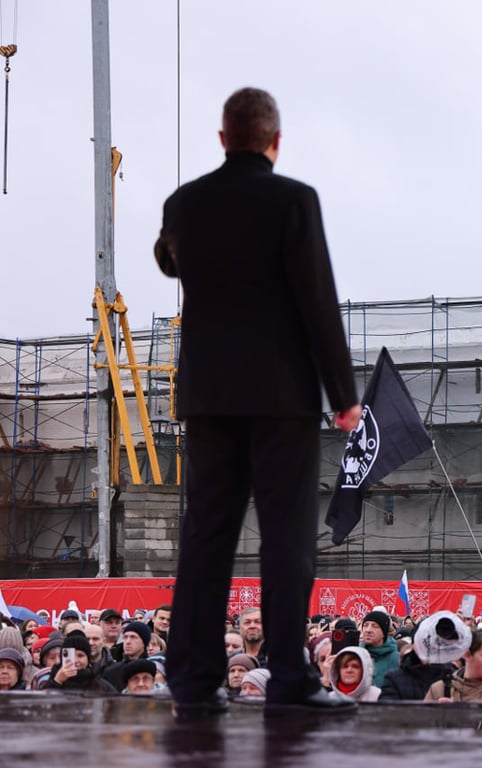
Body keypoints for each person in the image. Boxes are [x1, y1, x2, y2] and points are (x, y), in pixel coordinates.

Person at [155, 87, 360, 719]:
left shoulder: (184, 203)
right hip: (281, 395)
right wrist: (343, 395)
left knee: (206, 533)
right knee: (287, 536)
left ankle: (192, 677)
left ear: (223, 139)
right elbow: (316, 296)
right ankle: (290, 676)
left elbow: (167, 260)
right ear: (275, 140)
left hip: (209, 396)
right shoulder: (295, 200)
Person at [360, 610, 399, 686]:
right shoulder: (356, 655)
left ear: (384, 632)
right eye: (365, 625)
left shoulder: (397, 659)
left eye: (375, 626)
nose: (368, 630)